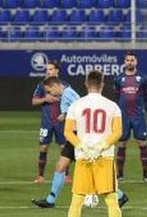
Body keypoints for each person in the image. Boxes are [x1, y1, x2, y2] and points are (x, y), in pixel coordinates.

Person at [32, 77, 128, 209]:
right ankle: (50, 200)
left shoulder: (68, 95)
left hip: (80, 137)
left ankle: (120, 195)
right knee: (61, 165)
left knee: (91, 169)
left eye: (50, 91)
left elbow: (82, 111)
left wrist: (64, 116)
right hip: (76, 136)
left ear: (55, 86)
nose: (50, 95)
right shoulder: (67, 94)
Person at [63, 70, 127, 217]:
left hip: (83, 158)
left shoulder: (76, 105)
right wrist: (100, 146)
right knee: (111, 200)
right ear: (102, 84)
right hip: (103, 157)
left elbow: (68, 132)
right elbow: (118, 132)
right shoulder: (112, 106)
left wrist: (82, 146)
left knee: (76, 200)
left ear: (86, 83)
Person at [113, 51, 147, 183]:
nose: (130, 62)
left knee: (142, 143)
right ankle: (120, 174)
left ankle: (146, 174)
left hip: (138, 116)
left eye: (132, 60)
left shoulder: (143, 78)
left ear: (136, 62)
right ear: (125, 62)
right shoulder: (118, 79)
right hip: (123, 116)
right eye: (127, 60)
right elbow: (117, 95)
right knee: (122, 144)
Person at [31, 58, 66, 183]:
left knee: (64, 148)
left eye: (50, 69)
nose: (48, 72)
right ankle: (40, 176)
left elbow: (72, 103)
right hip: (47, 122)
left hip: (61, 122)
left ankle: (66, 176)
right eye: (47, 69)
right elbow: (34, 101)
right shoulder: (42, 85)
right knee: (43, 148)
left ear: (56, 70)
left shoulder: (65, 85)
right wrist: (45, 99)